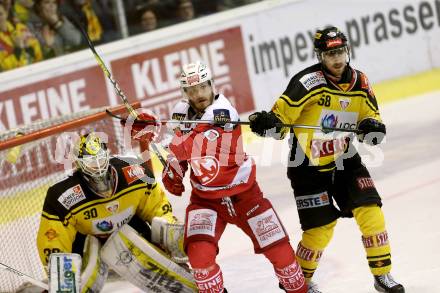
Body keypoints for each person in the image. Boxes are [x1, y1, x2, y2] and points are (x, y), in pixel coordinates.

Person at [248, 26, 405, 293]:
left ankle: (383, 275)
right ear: (320, 56)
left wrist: (374, 128)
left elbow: (372, 120)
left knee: (372, 214)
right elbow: (281, 123)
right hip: (306, 164)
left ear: (348, 50)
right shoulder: (306, 82)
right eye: (330, 53)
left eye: (341, 51)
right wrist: (268, 125)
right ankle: (299, 282)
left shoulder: (361, 82)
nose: (337, 58)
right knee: (320, 230)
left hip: (345, 158)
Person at [161, 61, 308, 293]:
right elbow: (180, 154)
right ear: (184, 93)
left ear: (211, 84)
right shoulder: (181, 113)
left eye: (202, 87)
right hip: (206, 200)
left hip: (245, 197)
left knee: (281, 253)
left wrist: (155, 137)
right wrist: (174, 172)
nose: (198, 94)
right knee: (199, 257)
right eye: (191, 90)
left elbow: (188, 146)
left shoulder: (223, 113)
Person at [36, 128, 189, 292]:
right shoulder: (62, 196)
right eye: (90, 161)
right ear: (79, 164)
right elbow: (52, 239)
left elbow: (158, 208)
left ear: (107, 155)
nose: (97, 166)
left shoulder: (136, 172)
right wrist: (60, 277)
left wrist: (169, 234)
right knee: (64, 276)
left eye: (100, 159)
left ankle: (177, 266)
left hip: (130, 228)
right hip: (87, 238)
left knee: (168, 231)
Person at [0, 2, 43, 72]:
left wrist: (27, 48)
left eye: (0, 14)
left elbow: (37, 53)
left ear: (6, 14)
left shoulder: (20, 28)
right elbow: (7, 67)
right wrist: (18, 48)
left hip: (34, 71)